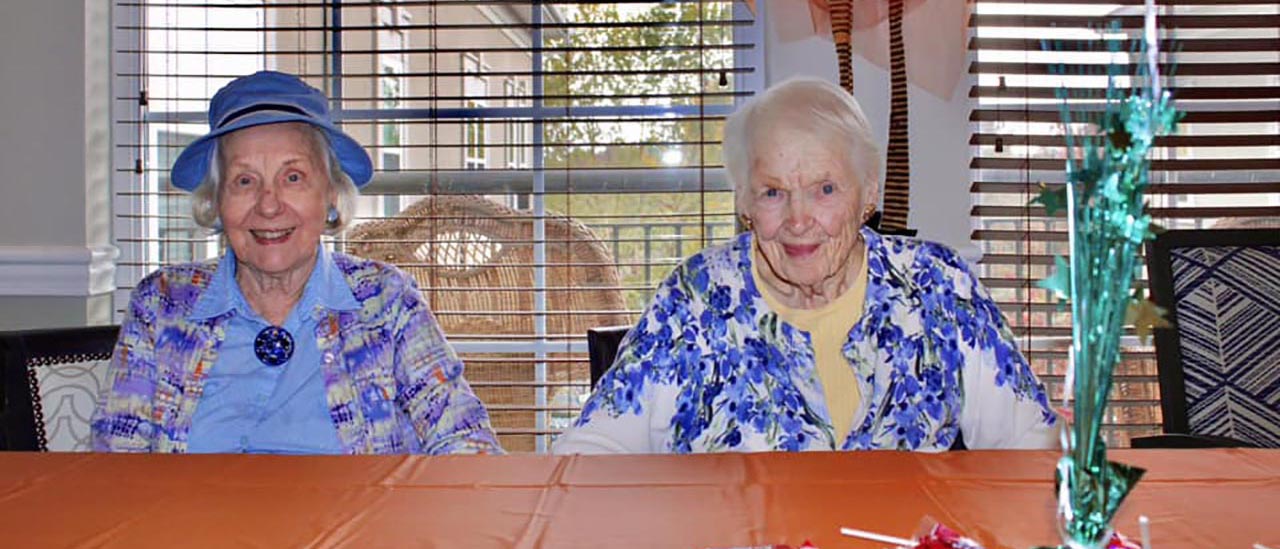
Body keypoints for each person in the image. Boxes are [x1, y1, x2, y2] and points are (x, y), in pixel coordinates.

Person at [553, 78, 1056, 454]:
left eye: (825, 189)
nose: (798, 220)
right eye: (773, 192)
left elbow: (1030, 443)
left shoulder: (939, 288)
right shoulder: (696, 297)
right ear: (745, 202)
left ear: (869, 194)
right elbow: (594, 451)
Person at [92, 71, 502, 455]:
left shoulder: (385, 301)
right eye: (244, 181)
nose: (269, 205)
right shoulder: (162, 304)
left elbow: (466, 442)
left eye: (293, 177)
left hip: (355, 529)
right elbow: (115, 464)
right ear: (216, 202)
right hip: (194, 529)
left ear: (330, 196)